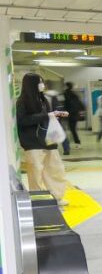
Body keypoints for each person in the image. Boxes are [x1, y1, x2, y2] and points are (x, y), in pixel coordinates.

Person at [16, 73, 71, 205]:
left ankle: (57, 196)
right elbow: (22, 120)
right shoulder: (22, 101)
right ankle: (37, 197)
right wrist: (46, 115)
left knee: (55, 169)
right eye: (39, 82)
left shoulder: (43, 99)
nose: (42, 85)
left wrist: (55, 115)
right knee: (35, 172)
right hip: (33, 143)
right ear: (31, 84)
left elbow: (45, 116)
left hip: (49, 141)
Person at [62, 82, 84, 147]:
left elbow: (65, 105)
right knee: (72, 129)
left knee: (71, 129)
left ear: (66, 86)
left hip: (69, 114)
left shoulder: (66, 94)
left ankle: (76, 142)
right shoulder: (74, 94)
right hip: (74, 114)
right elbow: (80, 105)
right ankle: (76, 142)